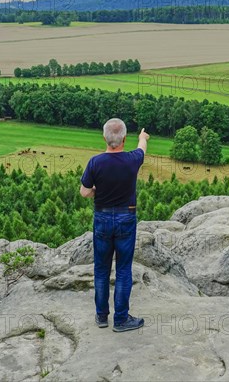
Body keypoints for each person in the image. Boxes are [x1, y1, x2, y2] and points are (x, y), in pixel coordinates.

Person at [80, 118, 150, 332]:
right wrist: (142, 137)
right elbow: (142, 149)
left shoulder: (95, 162)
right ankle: (120, 319)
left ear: (104, 138)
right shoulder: (132, 159)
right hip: (126, 218)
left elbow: (84, 192)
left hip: (102, 218)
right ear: (124, 139)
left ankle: (102, 316)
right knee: (123, 270)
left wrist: (97, 192)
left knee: (101, 269)